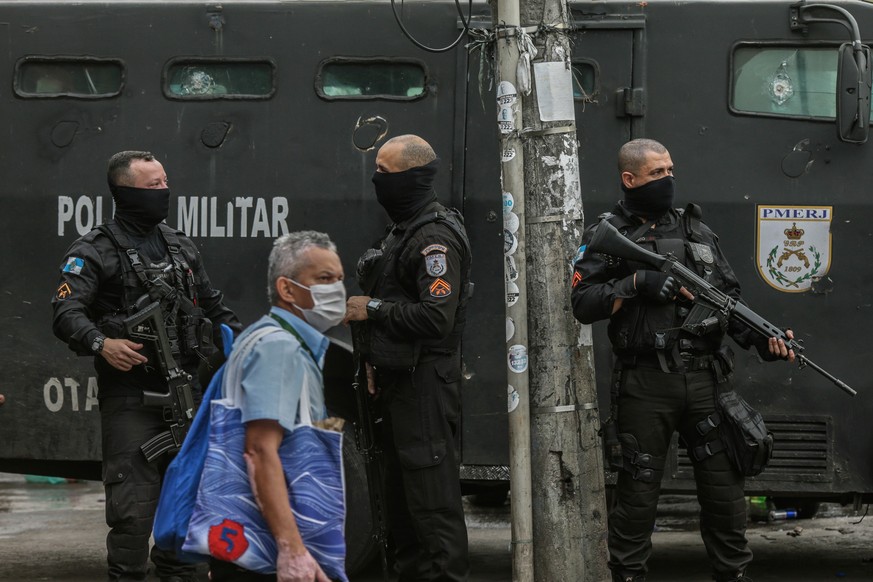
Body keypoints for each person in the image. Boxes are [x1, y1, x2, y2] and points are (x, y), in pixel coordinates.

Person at [570, 138, 795, 582]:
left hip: (707, 380)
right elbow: (582, 302)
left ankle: (731, 574)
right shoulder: (610, 233)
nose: (668, 180)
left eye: (670, 170)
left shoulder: (697, 231)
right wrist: (634, 284)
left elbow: (728, 302)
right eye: (657, 173)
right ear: (629, 179)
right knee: (637, 495)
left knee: (725, 495)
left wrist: (766, 340)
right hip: (645, 384)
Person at [51, 150, 242, 582]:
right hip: (133, 399)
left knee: (188, 521)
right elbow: (66, 311)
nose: (164, 191)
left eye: (164, 182)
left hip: (188, 395)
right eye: (153, 184)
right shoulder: (94, 250)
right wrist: (102, 343)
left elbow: (214, 307)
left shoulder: (180, 246)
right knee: (133, 518)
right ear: (125, 191)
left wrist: (245, 344)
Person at [344, 134, 472, 581]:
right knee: (399, 505)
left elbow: (436, 318)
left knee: (432, 506)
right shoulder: (404, 231)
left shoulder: (433, 238)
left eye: (384, 171)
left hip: (425, 388)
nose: (377, 180)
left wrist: (371, 308)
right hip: (399, 383)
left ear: (413, 178)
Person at [208, 230, 345, 582]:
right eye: (324, 279)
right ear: (287, 290)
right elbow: (259, 451)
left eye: (340, 279)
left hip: (252, 542)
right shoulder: (280, 349)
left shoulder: (261, 335)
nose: (337, 291)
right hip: (264, 549)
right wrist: (293, 550)